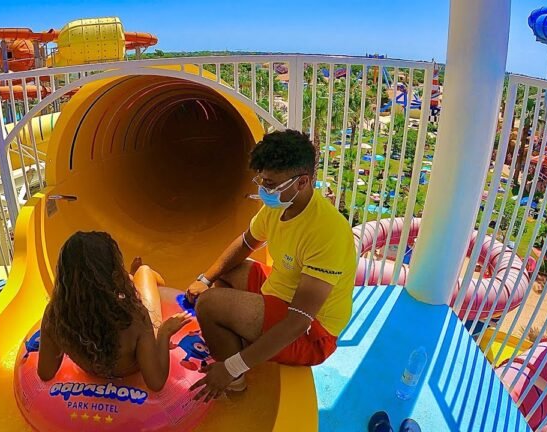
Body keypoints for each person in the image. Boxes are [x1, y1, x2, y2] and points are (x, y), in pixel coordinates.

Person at [187, 130, 356, 401]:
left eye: (270, 184)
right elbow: (245, 243)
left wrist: (231, 368)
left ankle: (234, 380)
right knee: (227, 272)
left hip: (314, 333)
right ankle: (241, 343)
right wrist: (205, 279)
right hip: (279, 292)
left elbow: (299, 321)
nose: (264, 191)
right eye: (262, 181)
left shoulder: (328, 232)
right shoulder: (280, 205)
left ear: (302, 182)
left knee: (208, 305)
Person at [37, 231, 191, 392]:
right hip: (132, 352)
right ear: (114, 271)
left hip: (93, 361)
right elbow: (156, 382)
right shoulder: (134, 317)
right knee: (145, 272)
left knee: (132, 283)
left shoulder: (55, 315)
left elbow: (45, 373)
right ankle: (134, 276)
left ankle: (131, 278)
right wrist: (164, 333)